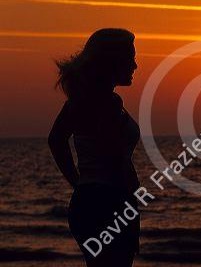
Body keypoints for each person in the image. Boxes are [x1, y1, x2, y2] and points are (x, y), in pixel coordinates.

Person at [48, 28, 140, 267]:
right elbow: (114, 155)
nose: (135, 65)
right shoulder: (109, 104)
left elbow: (56, 140)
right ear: (112, 60)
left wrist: (79, 182)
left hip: (86, 202)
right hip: (110, 203)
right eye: (130, 58)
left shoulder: (79, 99)